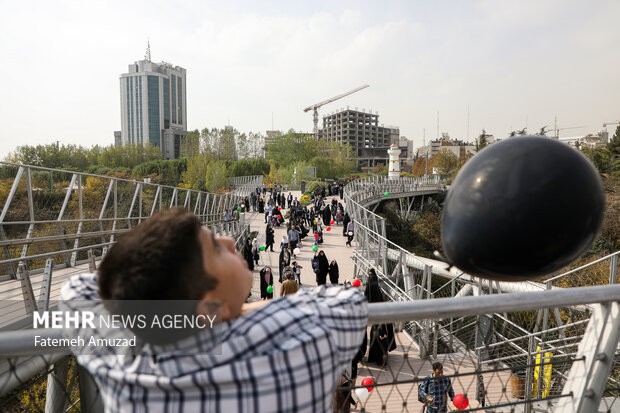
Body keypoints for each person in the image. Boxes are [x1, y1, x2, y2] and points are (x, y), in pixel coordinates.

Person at [60, 208, 368, 412]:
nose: (229, 240)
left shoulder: (122, 368)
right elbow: (350, 303)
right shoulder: (295, 345)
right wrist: (244, 308)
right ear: (207, 303)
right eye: (216, 248)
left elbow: (75, 292)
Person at [365, 269, 396, 366]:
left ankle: (379, 358)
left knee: (378, 338)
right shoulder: (377, 289)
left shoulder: (371, 288)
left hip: (378, 317)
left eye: (372, 276)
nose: (371, 279)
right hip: (378, 316)